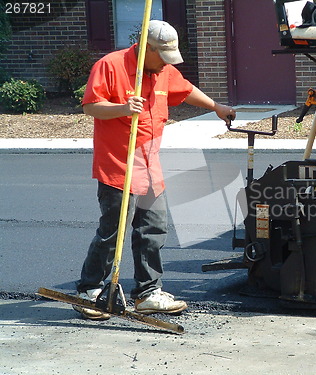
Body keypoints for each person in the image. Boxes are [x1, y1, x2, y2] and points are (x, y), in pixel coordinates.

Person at [74, 20, 236, 320]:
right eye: (162, 55)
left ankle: (148, 292)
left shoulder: (163, 71)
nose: (166, 63)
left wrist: (216, 107)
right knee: (113, 233)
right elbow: (91, 106)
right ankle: (90, 289)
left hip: (150, 167)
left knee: (153, 230)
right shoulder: (111, 65)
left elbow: (185, 91)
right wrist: (122, 108)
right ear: (147, 48)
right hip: (118, 167)